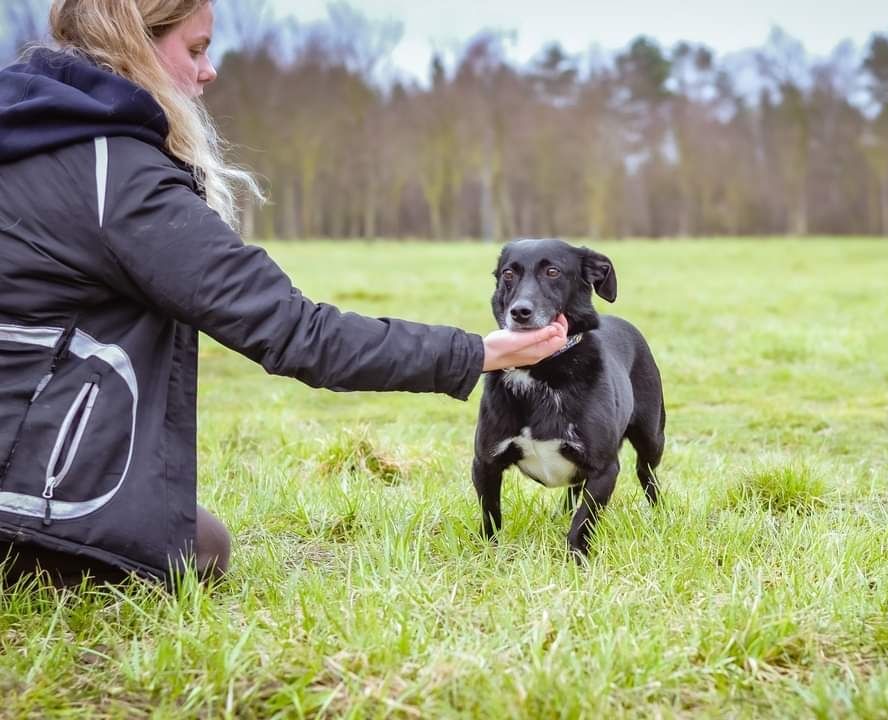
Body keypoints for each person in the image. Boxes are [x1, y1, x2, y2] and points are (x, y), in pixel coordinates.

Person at [0, 0, 568, 587]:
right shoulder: (116, 178)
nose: (209, 69)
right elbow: (298, 332)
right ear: (133, 45)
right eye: (195, 49)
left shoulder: (28, 131)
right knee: (197, 548)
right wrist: (481, 352)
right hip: (21, 494)